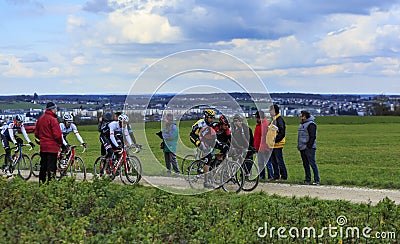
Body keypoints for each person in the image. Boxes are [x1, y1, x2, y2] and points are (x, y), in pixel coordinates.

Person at [34, 102, 63, 184]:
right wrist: (61, 143)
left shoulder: (40, 119)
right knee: (51, 168)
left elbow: (36, 133)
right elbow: (57, 135)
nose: (56, 110)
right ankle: (51, 185)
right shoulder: (53, 120)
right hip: (52, 148)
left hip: (43, 147)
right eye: (55, 109)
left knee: (43, 166)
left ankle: (41, 184)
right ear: (52, 109)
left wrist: (42, 139)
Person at [189, 109, 217, 188]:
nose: (212, 119)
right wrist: (197, 141)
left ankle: (203, 166)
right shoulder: (200, 123)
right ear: (206, 117)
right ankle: (206, 182)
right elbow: (192, 132)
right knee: (207, 156)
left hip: (205, 140)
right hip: (195, 137)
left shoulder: (212, 125)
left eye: (213, 118)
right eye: (210, 118)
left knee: (212, 154)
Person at [297, 110, 320, 185]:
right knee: (305, 164)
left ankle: (317, 179)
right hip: (302, 147)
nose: (299, 117)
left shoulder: (311, 124)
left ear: (304, 116)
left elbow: (312, 136)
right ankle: (307, 179)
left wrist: (309, 146)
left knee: (312, 163)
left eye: (301, 116)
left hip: (309, 148)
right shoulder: (301, 125)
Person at [269, 104, 288, 181]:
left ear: (274, 111)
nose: (269, 112)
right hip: (272, 144)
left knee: (279, 160)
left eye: (270, 110)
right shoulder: (274, 119)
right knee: (274, 161)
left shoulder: (279, 120)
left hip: (277, 144)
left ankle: (283, 176)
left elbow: (282, 132)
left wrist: (275, 140)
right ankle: (276, 176)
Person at [253, 111, 273, 181]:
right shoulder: (259, 124)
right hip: (259, 147)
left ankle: (270, 176)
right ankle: (262, 176)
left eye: (257, 117)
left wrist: (264, 147)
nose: (256, 119)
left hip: (264, 147)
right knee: (260, 163)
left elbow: (265, 137)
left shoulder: (264, 125)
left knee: (267, 163)